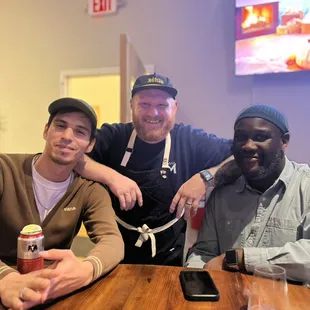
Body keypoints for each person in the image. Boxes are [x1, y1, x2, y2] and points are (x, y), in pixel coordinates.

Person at [76, 73, 233, 266]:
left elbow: (238, 155)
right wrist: (112, 177)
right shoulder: (114, 136)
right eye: (144, 105)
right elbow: (75, 157)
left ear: (174, 108)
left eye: (162, 105)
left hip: (170, 257)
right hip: (115, 253)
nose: (153, 113)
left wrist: (206, 177)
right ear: (132, 105)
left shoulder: (189, 140)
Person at [0, 98, 124, 310]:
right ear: (46, 130)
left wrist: (86, 271)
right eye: (60, 126)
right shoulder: (5, 170)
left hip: (52, 290)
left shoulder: (89, 190)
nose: (67, 136)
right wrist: (5, 278)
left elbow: (112, 240)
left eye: (80, 131)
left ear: (90, 144)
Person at [186, 104, 310, 283]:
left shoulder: (305, 186)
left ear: (284, 141)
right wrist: (195, 283)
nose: (248, 146)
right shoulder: (222, 193)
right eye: (241, 137)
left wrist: (241, 258)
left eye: (260, 137)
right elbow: (204, 253)